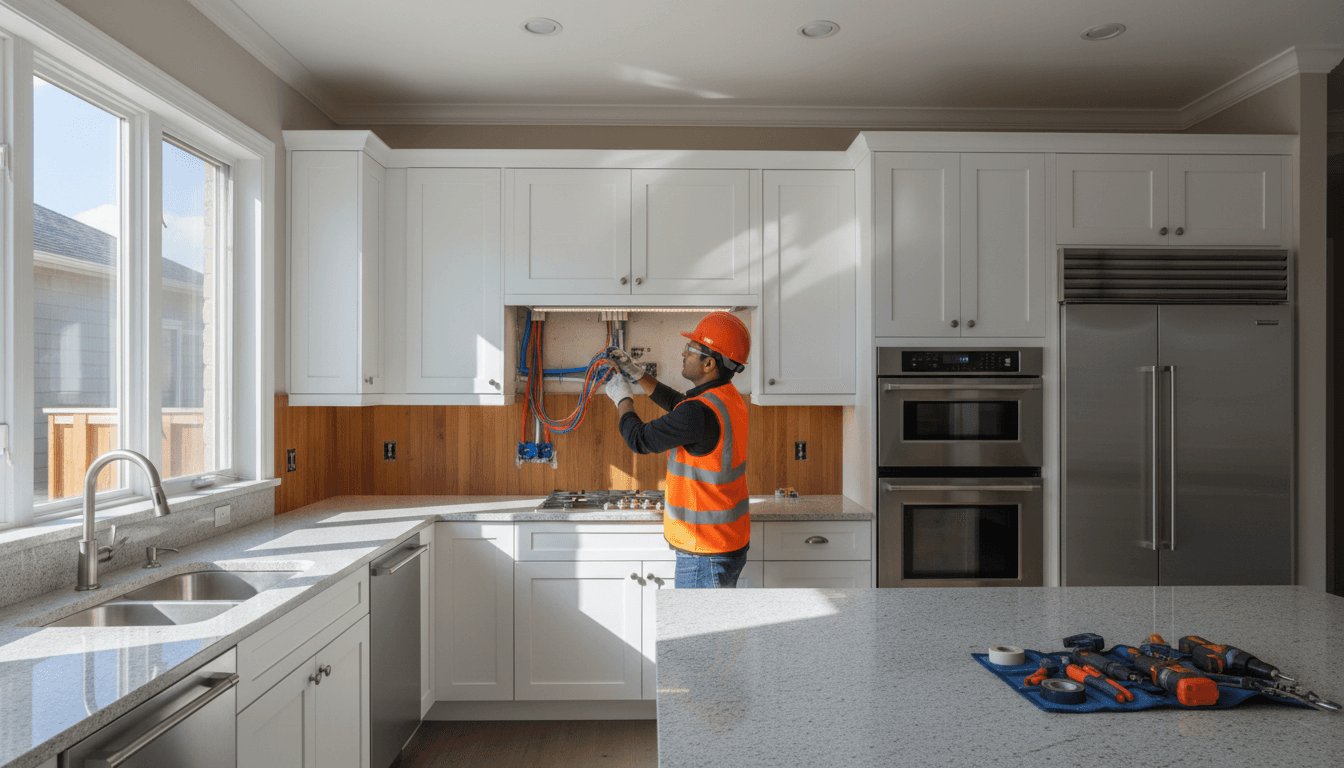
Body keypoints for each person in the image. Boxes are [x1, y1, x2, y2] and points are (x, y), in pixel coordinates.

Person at [604, 312, 752, 588]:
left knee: (697, 630)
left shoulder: (698, 413)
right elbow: (679, 403)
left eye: (691, 349)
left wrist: (622, 398)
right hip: (725, 541)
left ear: (709, 363)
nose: (683, 353)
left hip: (704, 551)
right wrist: (637, 373)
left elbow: (639, 438)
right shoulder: (727, 398)